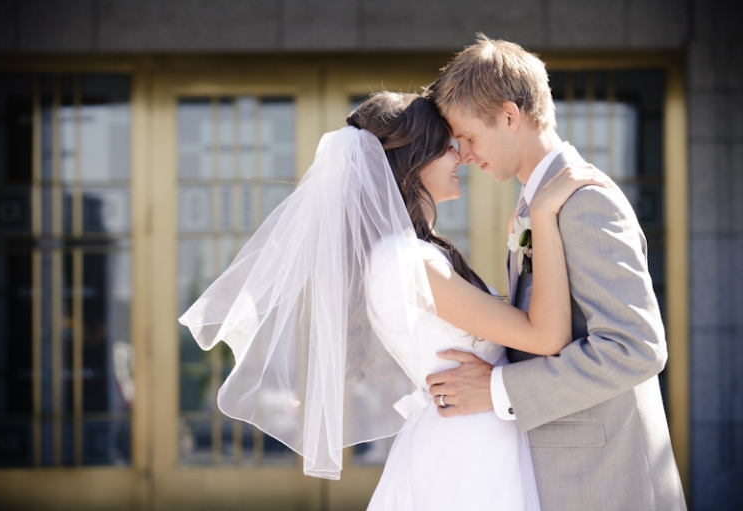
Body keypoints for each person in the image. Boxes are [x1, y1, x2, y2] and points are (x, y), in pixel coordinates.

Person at [178, 91, 606, 510]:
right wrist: (544, 216)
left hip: (468, 438)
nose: (461, 157)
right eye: (446, 148)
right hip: (469, 452)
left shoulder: (402, 257)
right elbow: (546, 337)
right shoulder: (412, 264)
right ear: (412, 164)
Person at [426, 35, 687, 510]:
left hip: (606, 481)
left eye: (469, 138)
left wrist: (496, 389)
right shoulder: (538, 204)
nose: (463, 154)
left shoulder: (585, 202)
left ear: (509, 117)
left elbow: (635, 349)